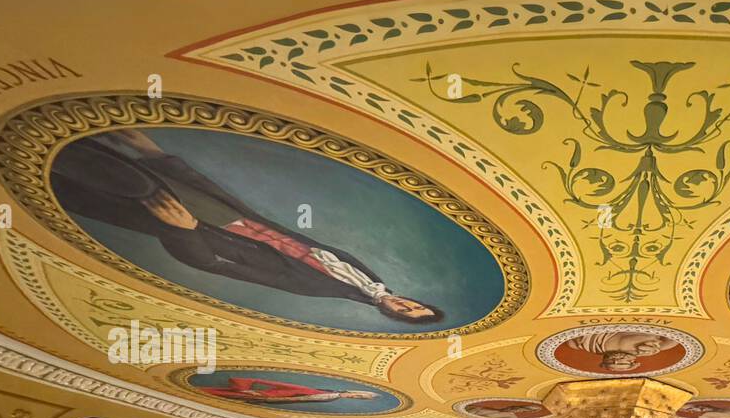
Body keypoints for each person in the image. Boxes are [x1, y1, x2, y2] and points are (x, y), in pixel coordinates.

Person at [51, 129, 442, 323]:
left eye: (406, 311)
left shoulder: (317, 289)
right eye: (415, 303)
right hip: (229, 211)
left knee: (109, 183)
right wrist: (157, 154)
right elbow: (249, 215)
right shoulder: (368, 277)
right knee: (118, 161)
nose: (405, 303)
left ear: (394, 315)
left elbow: (215, 265)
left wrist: (182, 231)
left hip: (203, 226)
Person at [203, 375, 379, 405]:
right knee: (228, 392)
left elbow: (300, 398)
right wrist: (268, 395)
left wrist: (270, 399)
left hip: (275, 396)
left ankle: (205, 391)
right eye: (357, 394)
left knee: (228, 395)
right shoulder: (330, 392)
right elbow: (296, 390)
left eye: (357, 397)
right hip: (274, 393)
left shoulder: (331, 398)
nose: (354, 396)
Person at [562, 329, 678, 372]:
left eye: (614, 362)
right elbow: (673, 338)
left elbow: (672, 338)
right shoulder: (641, 349)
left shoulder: (634, 347)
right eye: (621, 363)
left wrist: (657, 347)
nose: (616, 361)